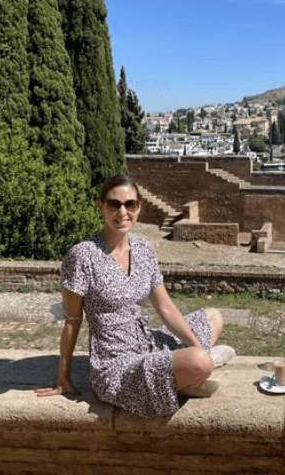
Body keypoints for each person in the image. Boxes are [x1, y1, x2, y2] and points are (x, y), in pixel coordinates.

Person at [36, 175, 235, 417]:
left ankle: (187, 373)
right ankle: (192, 374)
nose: (122, 212)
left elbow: (165, 307)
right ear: (100, 206)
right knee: (200, 362)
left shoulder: (143, 248)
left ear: (139, 207)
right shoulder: (82, 255)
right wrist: (63, 376)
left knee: (213, 317)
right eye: (114, 204)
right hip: (117, 363)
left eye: (130, 204)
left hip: (147, 342)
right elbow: (72, 319)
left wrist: (195, 345)